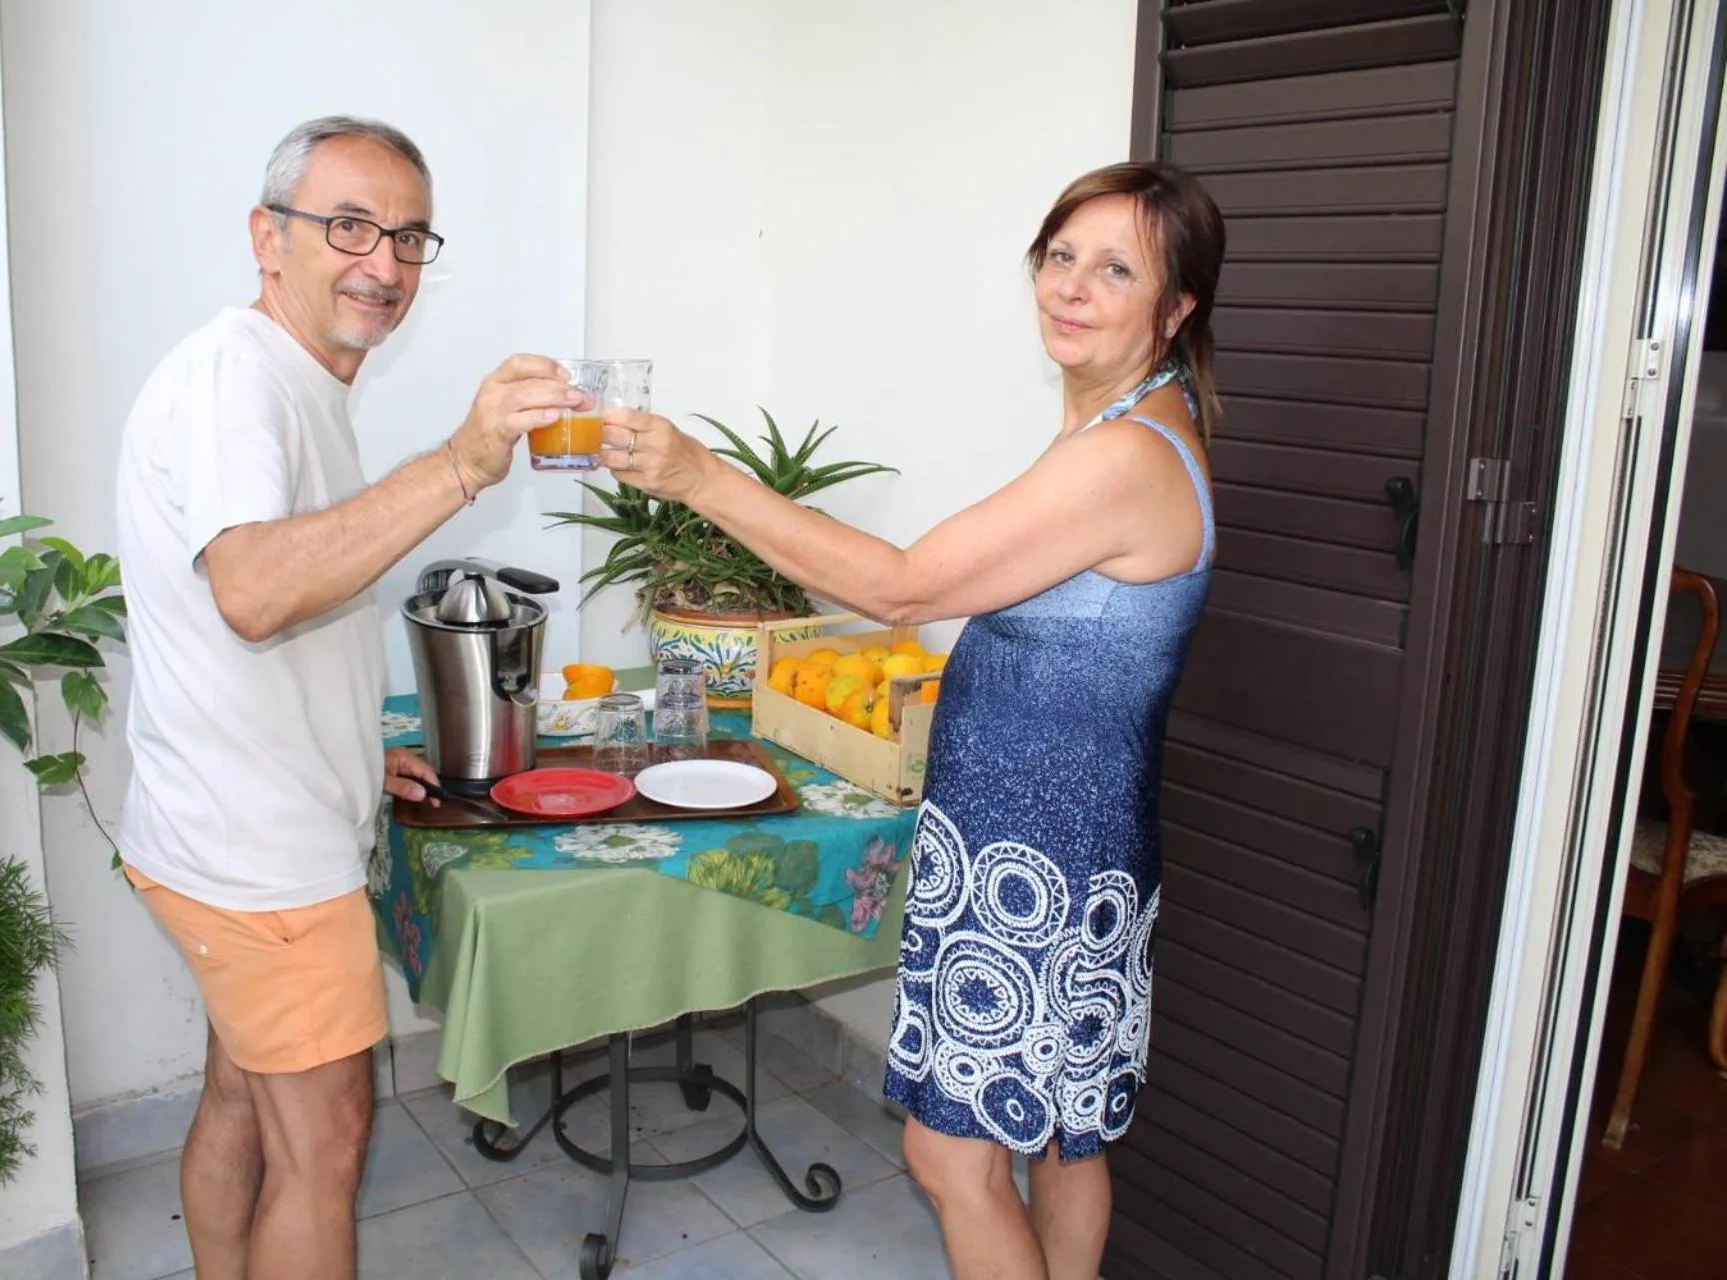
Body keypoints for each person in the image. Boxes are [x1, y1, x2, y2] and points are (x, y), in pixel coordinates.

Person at [600, 159, 1224, 1279]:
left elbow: (899, 586)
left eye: (1116, 269)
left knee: (951, 1158)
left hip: (1036, 863)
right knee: (1063, 1138)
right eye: (1061, 255)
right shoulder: (1128, 424)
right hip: (1067, 850)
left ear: (1175, 308)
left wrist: (700, 475)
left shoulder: (1127, 455)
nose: (1072, 287)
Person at [113, 116, 585, 1280]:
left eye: (410, 236)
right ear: (268, 237)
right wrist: (465, 461)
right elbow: (256, 589)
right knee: (325, 1145)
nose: (384, 262)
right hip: (258, 855)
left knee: (246, 1093)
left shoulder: (287, 378)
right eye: (350, 226)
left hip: (220, 820)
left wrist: (343, 747)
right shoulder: (242, 379)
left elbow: (278, 595)